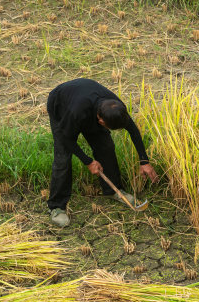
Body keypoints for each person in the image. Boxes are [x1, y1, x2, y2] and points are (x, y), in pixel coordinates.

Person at [46, 78, 158, 227]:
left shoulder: (117, 108)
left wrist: (144, 161)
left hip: (86, 103)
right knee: (63, 158)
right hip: (61, 105)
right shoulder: (76, 113)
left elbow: (133, 131)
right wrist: (88, 161)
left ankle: (113, 190)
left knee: (106, 146)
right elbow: (66, 138)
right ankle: (56, 207)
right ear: (100, 120)